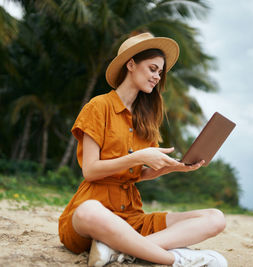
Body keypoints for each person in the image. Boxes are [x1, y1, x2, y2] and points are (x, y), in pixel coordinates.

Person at [58, 32, 228, 267]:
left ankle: (120, 249)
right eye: (152, 68)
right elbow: (90, 170)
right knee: (89, 211)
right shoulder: (98, 106)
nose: (157, 76)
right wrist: (138, 156)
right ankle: (175, 259)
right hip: (93, 214)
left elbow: (139, 174)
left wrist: (172, 168)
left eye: (160, 72)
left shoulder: (146, 119)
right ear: (131, 64)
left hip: (131, 217)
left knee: (214, 218)